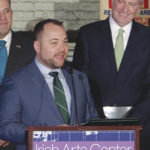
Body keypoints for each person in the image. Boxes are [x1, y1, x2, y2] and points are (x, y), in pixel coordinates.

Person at [0, 19, 98, 150]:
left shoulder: (79, 78)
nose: (62, 48)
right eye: (54, 43)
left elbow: (93, 121)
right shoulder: (16, 82)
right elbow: (6, 128)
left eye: (65, 41)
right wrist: (45, 133)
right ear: (37, 47)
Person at [72, 0, 150, 149]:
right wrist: (97, 118)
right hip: (95, 125)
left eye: (132, 4)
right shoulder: (88, 34)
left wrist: (131, 122)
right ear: (112, 2)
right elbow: (79, 80)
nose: (125, 9)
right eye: (121, 1)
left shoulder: (148, 37)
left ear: (139, 7)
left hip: (141, 129)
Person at [0, 0, 35, 149]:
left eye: (6, 11)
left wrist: (10, 132)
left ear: (12, 13)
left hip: (18, 139)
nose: (3, 17)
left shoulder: (31, 48)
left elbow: (36, 96)